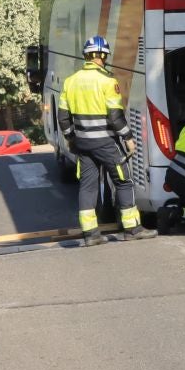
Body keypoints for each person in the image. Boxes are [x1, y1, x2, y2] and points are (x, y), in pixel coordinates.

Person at [62, 36, 153, 246]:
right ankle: (132, 229)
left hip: (83, 143)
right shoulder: (107, 81)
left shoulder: (70, 81)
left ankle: (90, 235)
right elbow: (115, 117)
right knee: (123, 180)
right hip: (106, 143)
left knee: (87, 185)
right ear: (101, 55)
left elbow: (63, 117)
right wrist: (128, 137)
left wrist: (70, 138)